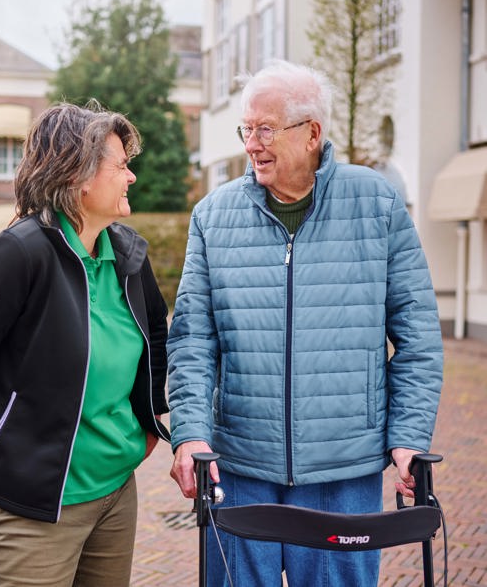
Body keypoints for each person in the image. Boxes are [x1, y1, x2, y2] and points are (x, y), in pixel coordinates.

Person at [167, 60, 443, 587]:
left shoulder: (377, 205)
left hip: (345, 472)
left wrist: (407, 436)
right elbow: (193, 342)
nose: (251, 143)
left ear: (312, 133)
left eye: (265, 128)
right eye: (246, 129)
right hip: (240, 470)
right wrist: (190, 434)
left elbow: (418, 336)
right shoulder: (212, 216)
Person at [0, 101, 170, 587]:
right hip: (33, 502)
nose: (131, 177)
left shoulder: (128, 253)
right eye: (121, 166)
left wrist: (147, 425)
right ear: (78, 176)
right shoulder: (16, 254)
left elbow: (156, 338)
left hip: (115, 494)